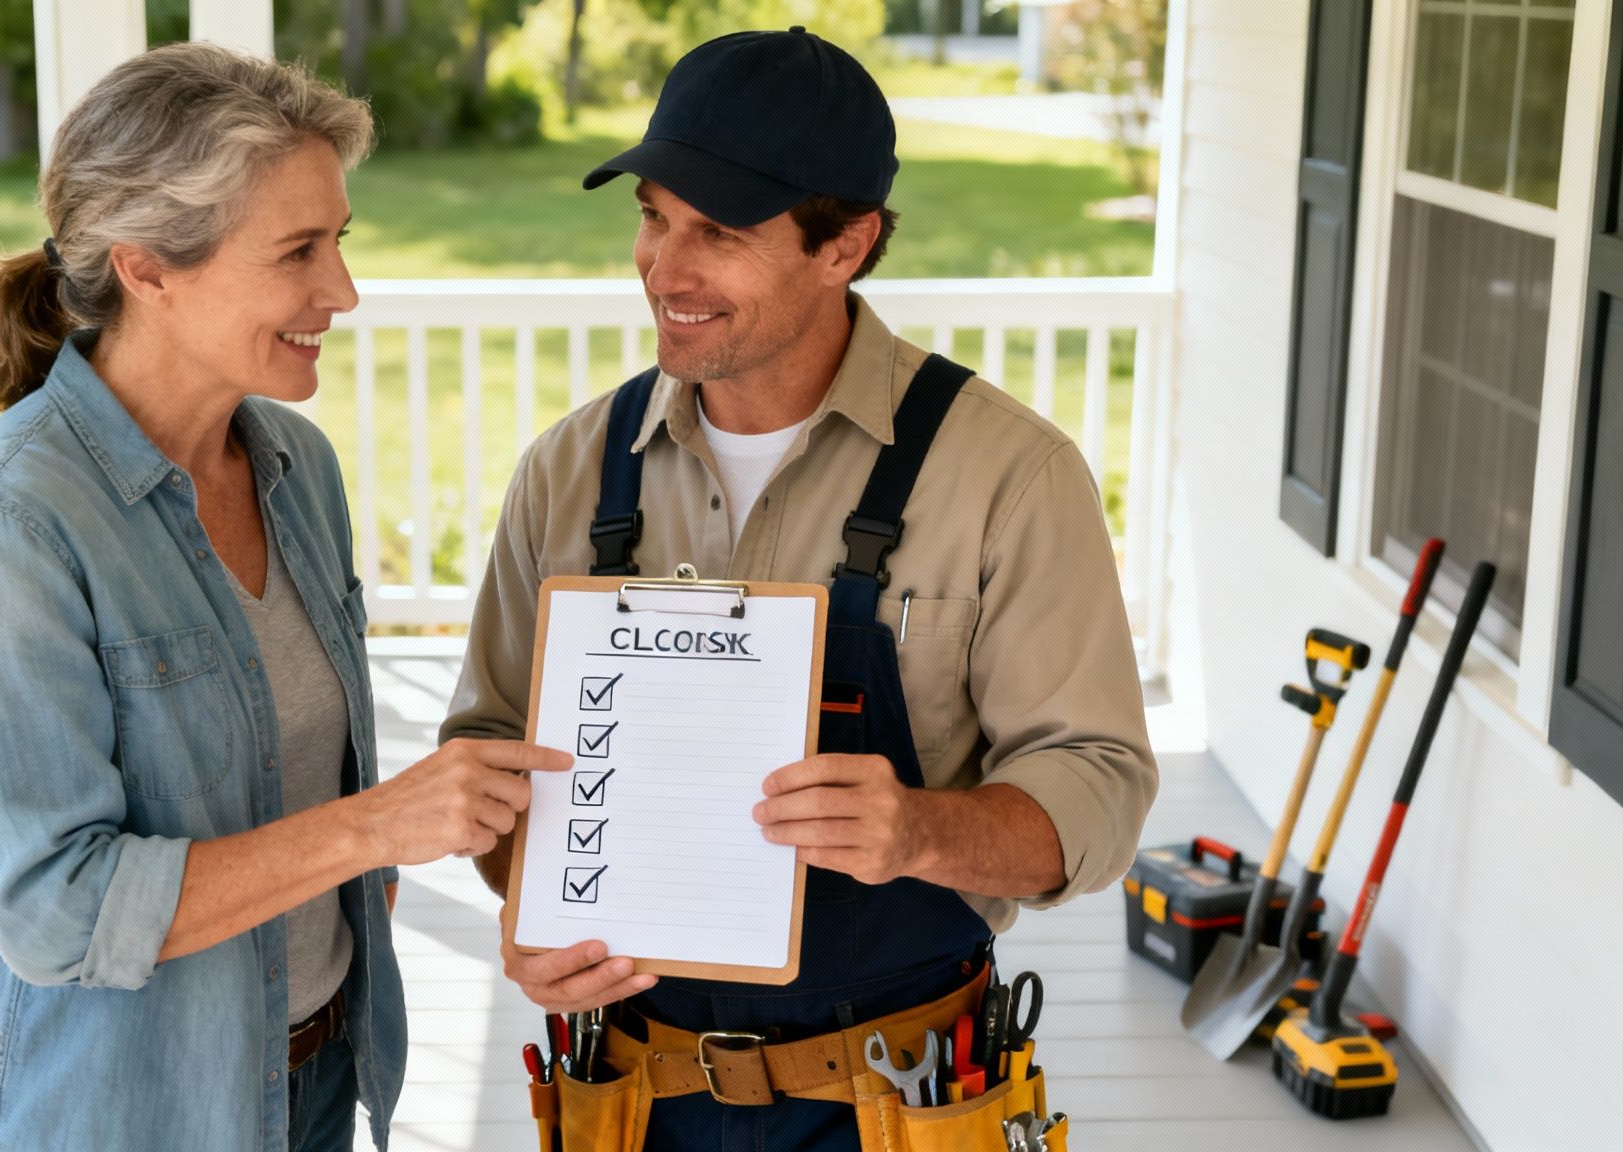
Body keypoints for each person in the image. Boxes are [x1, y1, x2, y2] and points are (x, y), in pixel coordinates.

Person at [441, 28, 1157, 1150]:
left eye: (717, 232)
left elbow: (1097, 791)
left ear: (848, 243)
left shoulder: (1008, 476)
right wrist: (528, 906)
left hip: (902, 1095)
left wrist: (918, 831)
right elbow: (491, 753)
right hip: (629, 1096)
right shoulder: (570, 471)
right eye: (651, 216)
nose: (663, 270)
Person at [0, 43, 569, 1152]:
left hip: (309, 1083)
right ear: (146, 266)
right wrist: (376, 827)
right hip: (118, 1115)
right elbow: (56, 913)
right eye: (297, 251)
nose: (339, 290)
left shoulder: (293, 466)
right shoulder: (1, 530)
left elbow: (299, 770)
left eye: (338, 240)